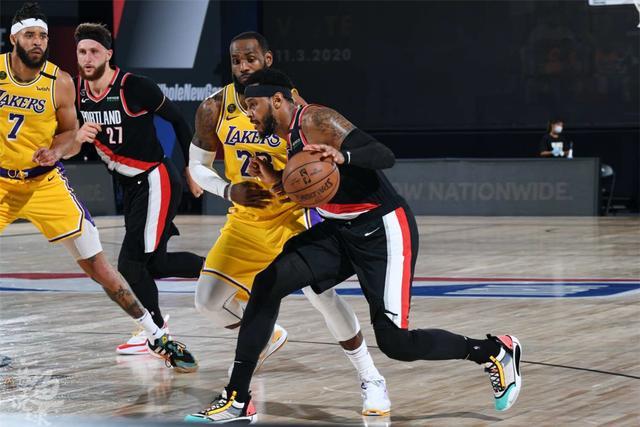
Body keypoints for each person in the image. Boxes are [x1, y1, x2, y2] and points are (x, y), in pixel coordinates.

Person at [185, 68, 523, 423]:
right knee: (268, 282)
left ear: (278, 100)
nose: (249, 113)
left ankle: (492, 351)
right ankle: (237, 399)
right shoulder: (286, 137)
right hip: (338, 231)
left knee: (395, 343)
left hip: (381, 228)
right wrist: (276, 180)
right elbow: (311, 189)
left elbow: (383, 155)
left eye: (254, 105)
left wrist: (342, 156)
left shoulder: (315, 119)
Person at [186, 32, 390, 416]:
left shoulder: (292, 105)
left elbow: (320, 158)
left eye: (250, 59)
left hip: (295, 215)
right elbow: (196, 166)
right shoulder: (214, 108)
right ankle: (265, 336)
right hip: (245, 219)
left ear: (267, 59)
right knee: (207, 302)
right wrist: (228, 190)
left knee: (322, 297)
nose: (243, 67)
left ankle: (371, 378)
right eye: (236, 61)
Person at [0, 2, 196, 372]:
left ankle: (156, 335)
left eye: (42, 35)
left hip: (49, 183)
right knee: (146, 261)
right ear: (14, 39)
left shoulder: (60, 83)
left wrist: (57, 150)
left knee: (105, 265)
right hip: (3, 182)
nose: (38, 41)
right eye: (30, 35)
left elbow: (70, 138)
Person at [73, 22, 205, 355]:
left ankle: (155, 332)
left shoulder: (133, 86)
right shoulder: (77, 90)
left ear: (108, 54)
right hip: (130, 186)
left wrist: (192, 168)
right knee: (155, 264)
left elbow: (178, 119)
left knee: (131, 265)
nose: (87, 58)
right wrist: (77, 135)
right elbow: (71, 139)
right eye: (82, 52)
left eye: (94, 51)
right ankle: (225, 271)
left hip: (154, 178)